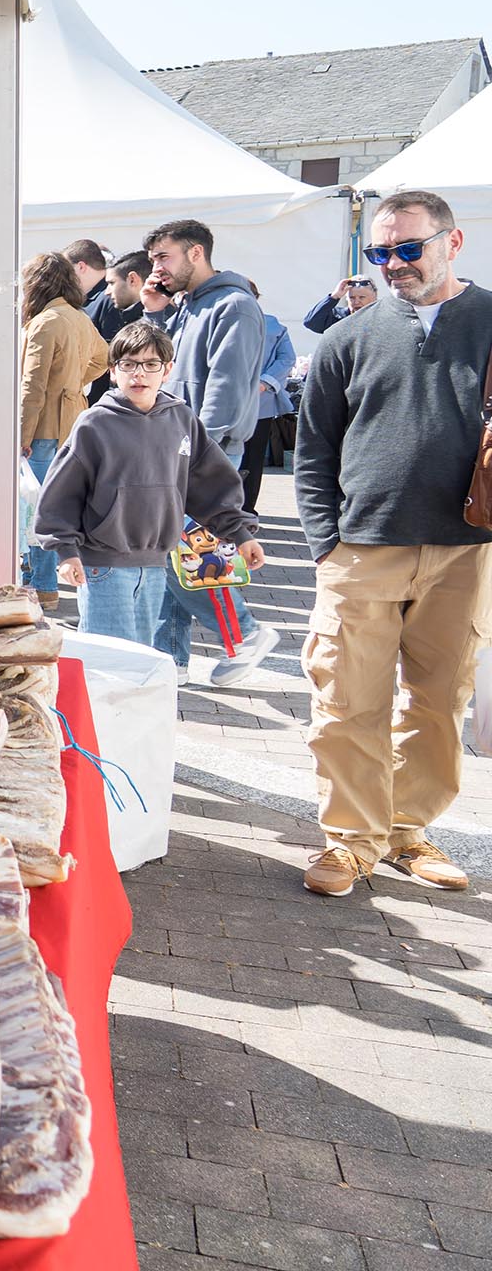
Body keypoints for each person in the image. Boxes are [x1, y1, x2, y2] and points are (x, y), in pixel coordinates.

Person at [295, 190, 492, 897]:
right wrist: (324, 543)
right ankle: (350, 841)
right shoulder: (346, 338)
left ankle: (408, 831)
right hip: (361, 549)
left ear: (453, 242)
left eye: (409, 248)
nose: (393, 263)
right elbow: (313, 450)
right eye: (380, 252)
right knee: (347, 701)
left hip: (466, 549)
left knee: (440, 701)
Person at [37, 320, 261, 655]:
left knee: (140, 658)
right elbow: (61, 494)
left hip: (156, 564)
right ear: (113, 371)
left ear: (167, 370)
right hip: (104, 566)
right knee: (110, 660)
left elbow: (211, 483)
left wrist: (240, 533)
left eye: (150, 364)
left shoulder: (181, 419)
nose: (139, 374)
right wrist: (66, 552)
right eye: (128, 364)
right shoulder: (94, 424)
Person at [144, 218, 277, 683]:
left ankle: (245, 633)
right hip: (183, 444)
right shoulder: (187, 304)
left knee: (185, 551)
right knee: (171, 551)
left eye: (164, 257)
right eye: (153, 259)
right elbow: (162, 364)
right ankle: (171, 659)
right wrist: (155, 314)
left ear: (196, 253)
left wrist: (200, 450)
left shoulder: (234, 305)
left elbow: (227, 384)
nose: (156, 268)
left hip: (205, 450)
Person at [18, 251, 110, 604]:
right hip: (71, 421)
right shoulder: (78, 317)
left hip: (42, 427)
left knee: (36, 510)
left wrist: (21, 435)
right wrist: (75, 382)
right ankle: (38, 581)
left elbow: (32, 386)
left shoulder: (46, 321)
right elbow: (104, 358)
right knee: (53, 506)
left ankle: (42, 584)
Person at [244, 285, 297, 514]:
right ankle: (241, 511)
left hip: (257, 404)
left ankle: (243, 510)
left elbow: (287, 358)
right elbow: (287, 359)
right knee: (247, 459)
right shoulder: (272, 324)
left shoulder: (273, 325)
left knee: (250, 459)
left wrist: (264, 382)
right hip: (252, 402)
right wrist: (265, 383)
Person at [87, 251, 152, 404]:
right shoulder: (130, 318)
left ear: (132, 280)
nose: (107, 292)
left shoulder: (158, 324)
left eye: (111, 283)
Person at [66, 239, 136, 343]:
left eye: (67, 269)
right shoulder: (89, 297)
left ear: (81, 266)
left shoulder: (111, 297)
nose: (65, 275)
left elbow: (112, 346)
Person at [305, 274, 378, 335]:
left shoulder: (381, 317)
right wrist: (334, 296)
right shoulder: (338, 317)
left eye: (362, 297)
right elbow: (311, 322)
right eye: (352, 298)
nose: (356, 302)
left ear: (374, 297)